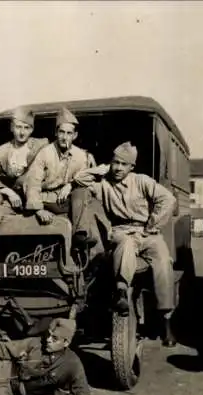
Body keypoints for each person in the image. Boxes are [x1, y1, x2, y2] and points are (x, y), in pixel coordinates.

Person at [77, 142, 177, 346]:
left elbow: (168, 199)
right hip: (121, 231)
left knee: (163, 259)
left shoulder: (141, 181)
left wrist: (153, 223)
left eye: (124, 164)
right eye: (115, 163)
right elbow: (80, 179)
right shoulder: (103, 184)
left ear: (132, 167)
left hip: (146, 231)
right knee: (125, 245)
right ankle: (121, 292)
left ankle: (166, 322)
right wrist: (101, 169)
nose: (118, 168)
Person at [0, 108, 48, 266]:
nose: (22, 132)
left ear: (31, 129)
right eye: (18, 127)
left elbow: (59, 153)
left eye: (26, 128)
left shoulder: (41, 145)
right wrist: (8, 192)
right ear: (12, 128)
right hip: (13, 204)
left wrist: (87, 156)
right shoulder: (1, 152)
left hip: (38, 199)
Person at [23, 107, 97, 250]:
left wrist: (70, 185)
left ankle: (80, 237)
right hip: (46, 200)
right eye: (61, 132)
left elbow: (84, 178)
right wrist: (38, 210)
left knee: (86, 194)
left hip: (66, 200)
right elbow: (32, 183)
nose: (64, 137)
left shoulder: (81, 156)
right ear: (56, 133)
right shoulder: (45, 153)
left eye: (69, 133)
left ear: (74, 136)